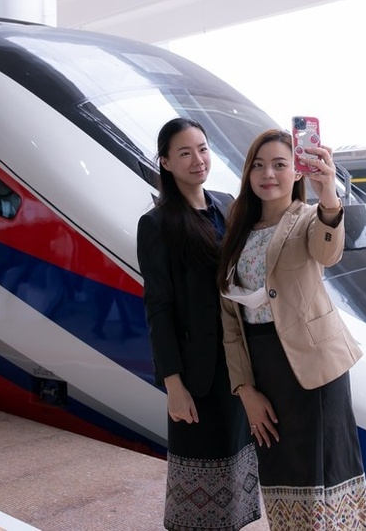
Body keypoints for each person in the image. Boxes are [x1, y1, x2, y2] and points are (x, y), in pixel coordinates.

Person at [217, 128, 366, 530]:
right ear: (248, 174)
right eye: (259, 165)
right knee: (281, 473)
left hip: (314, 370)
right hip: (265, 369)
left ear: (297, 172)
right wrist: (244, 389)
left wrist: (329, 197)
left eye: (280, 165)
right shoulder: (238, 229)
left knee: (322, 473)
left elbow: (327, 250)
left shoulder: (307, 219)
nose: (268, 173)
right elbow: (230, 323)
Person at [136, 118, 262, 531]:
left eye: (203, 149)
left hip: (240, 364)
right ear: (166, 163)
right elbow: (158, 306)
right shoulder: (157, 224)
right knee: (198, 480)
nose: (198, 160)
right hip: (197, 373)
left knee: (238, 473)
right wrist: (173, 384)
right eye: (185, 153)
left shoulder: (228, 204)